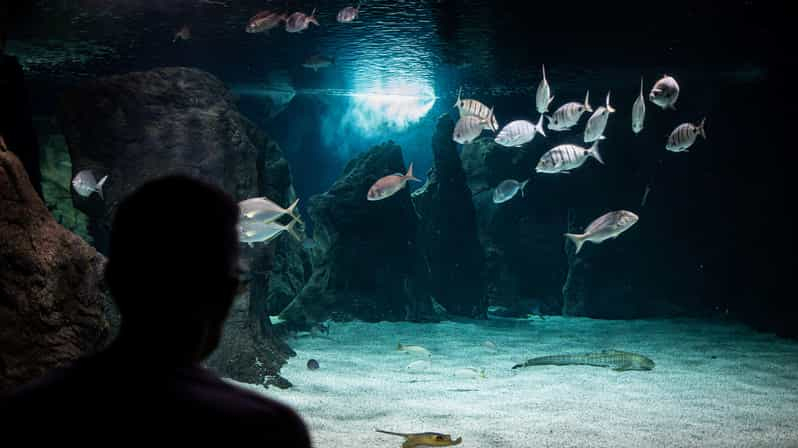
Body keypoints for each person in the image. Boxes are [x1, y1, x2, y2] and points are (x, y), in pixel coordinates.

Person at [0, 175, 312, 445]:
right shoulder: (268, 430)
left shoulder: (26, 413)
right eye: (235, 282)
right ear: (224, 293)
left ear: (112, 279)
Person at [0, 29, 43, 199]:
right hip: (17, 131)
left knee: (30, 177)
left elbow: (20, 107)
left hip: (20, 132)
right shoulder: (12, 67)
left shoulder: (12, 67)